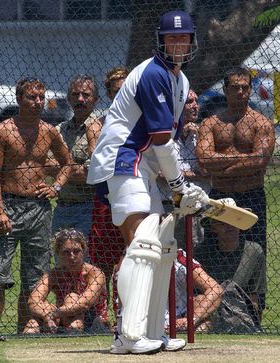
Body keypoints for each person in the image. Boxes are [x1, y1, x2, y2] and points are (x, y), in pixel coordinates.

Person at [87, 10, 209, 354]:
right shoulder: (153, 73)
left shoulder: (180, 82)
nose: (178, 43)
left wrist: (178, 186)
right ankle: (128, 335)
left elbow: (162, 146)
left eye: (183, 37)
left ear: (192, 41)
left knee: (161, 248)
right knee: (142, 247)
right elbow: (159, 141)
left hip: (143, 165)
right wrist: (180, 185)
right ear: (161, 40)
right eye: (172, 37)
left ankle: (153, 330)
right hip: (122, 160)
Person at [0, 78, 73, 334]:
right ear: (18, 99)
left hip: (38, 207)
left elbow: (67, 163)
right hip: (9, 206)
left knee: (35, 273)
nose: (37, 102)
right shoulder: (3, 130)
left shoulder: (48, 130)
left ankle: (26, 328)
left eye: (40, 97)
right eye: (31, 97)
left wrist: (55, 187)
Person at [195, 67, 275, 256]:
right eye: (235, 87)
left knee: (255, 249)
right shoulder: (211, 123)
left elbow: (260, 160)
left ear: (250, 89)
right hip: (219, 195)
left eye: (245, 87)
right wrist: (246, 158)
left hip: (250, 194)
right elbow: (204, 158)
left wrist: (221, 170)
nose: (240, 92)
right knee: (215, 250)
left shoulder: (261, 123)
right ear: (225, 90)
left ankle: (254, 286)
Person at [88, 67, 129, 295]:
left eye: (126, 91)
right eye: (116, 92)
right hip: (106, 197)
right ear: (109, 95)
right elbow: (99, 159)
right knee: (103, 258)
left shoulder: (141, 121)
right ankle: (101, 313)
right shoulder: (97, 124)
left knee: (133, 253)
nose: (120, 96)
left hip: (133, 195)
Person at [24, 229, 109, 334]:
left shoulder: (95, 273)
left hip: (93, 320)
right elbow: (33, 301)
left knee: (71, 297)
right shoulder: (54, 274)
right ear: (58, 254)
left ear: (84, 251)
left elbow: (85, 304)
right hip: (62, 317)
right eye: (66, 252)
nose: (72, 256)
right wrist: (47, 315)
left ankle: (71, 333)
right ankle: (30, 345)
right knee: (34, 321)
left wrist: (54, 314)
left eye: (76, 251)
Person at [49, 75, 101, 239]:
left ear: (96, 99)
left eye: (86, 95)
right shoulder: (59, 130)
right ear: (68, 98)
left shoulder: (100, 130)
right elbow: (45, 166)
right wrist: (73, 168)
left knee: (82, 260)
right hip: (61, 208)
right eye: (75, 94)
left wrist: (62, 169)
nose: (80, 99)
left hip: (88, 208)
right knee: (60, 260)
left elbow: (91, 175)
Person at [159, 89, 211, 247]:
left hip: (199, 204)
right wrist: (194, 175)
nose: (196, 106)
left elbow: (208, 171)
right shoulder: (163, 135)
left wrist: (201, 139)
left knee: (196, 251)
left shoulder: (203, 133)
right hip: (170, 203)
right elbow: (160, 174)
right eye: (189, 102)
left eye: (197, 101)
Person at [194, 219, 267, 322]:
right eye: (222, 223)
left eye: (233, 220)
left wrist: (255, 327)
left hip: (239, 310)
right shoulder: (202, 252)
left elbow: (254, 295)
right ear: (213, 228)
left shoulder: (253, 251)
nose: (229, 226)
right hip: (209, 306)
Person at [164, 249, 223, 332]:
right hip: (151, 318)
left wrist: (191, 319)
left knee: (201, 300)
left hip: (183, 315)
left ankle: (191, 334)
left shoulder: (179, 256)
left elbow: (216, 289)